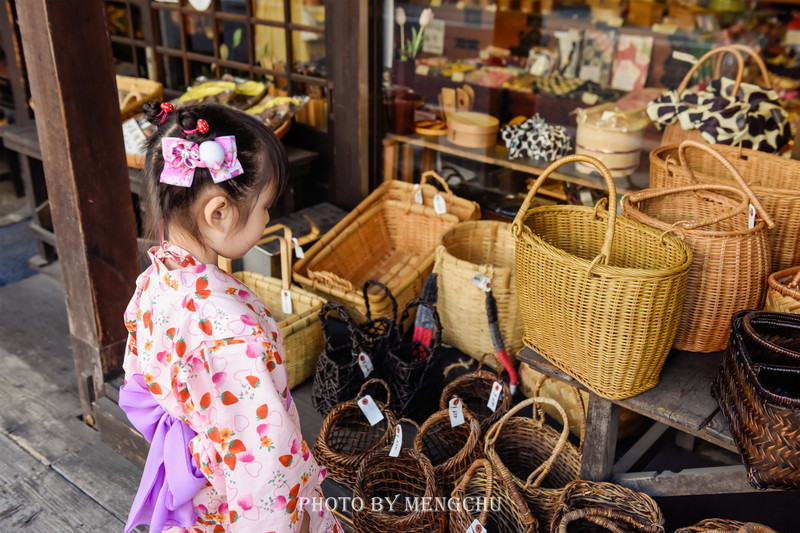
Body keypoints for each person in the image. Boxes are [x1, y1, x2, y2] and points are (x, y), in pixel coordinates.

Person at [119, 101, 340, 533]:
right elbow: (268, 469)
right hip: (240, 501)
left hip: (201, 491)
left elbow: (137, 383)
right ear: (218, 212)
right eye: (265, 207)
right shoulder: (232, 331)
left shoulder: (154, 281)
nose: (269, 216)